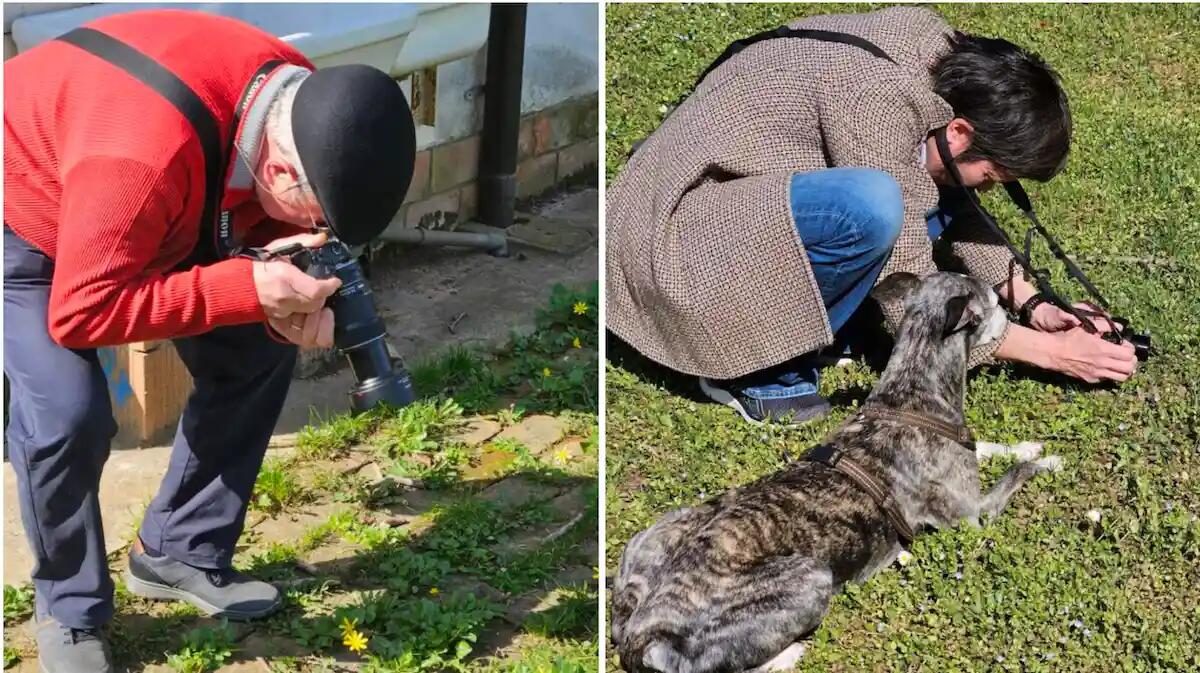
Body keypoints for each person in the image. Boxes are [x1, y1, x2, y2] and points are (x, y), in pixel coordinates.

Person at [3, 9, 415, 672]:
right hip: (27, 210)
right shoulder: (138, 160)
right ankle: (69, 609)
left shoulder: (304, 101)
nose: (317, 238)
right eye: (316, 220)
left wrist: (276, 296)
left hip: (170, 179)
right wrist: (246, 288)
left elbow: (242, 209)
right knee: (65, 412)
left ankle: (178, 549)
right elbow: (84, 311)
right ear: (278, 171)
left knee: (257, 345)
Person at [606, 6, 1137, 425]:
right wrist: (1050, 353)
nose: (989, 189)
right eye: (993, 176)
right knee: (874, 205)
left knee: (915, 189)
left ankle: (820, 318)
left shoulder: (940, 65)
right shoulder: (874, 104)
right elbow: (912, 290)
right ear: (960, 133)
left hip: (731, 207)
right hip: (669, 244)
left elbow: (954, 199)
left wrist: (1034, 302)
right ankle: (753, 369)